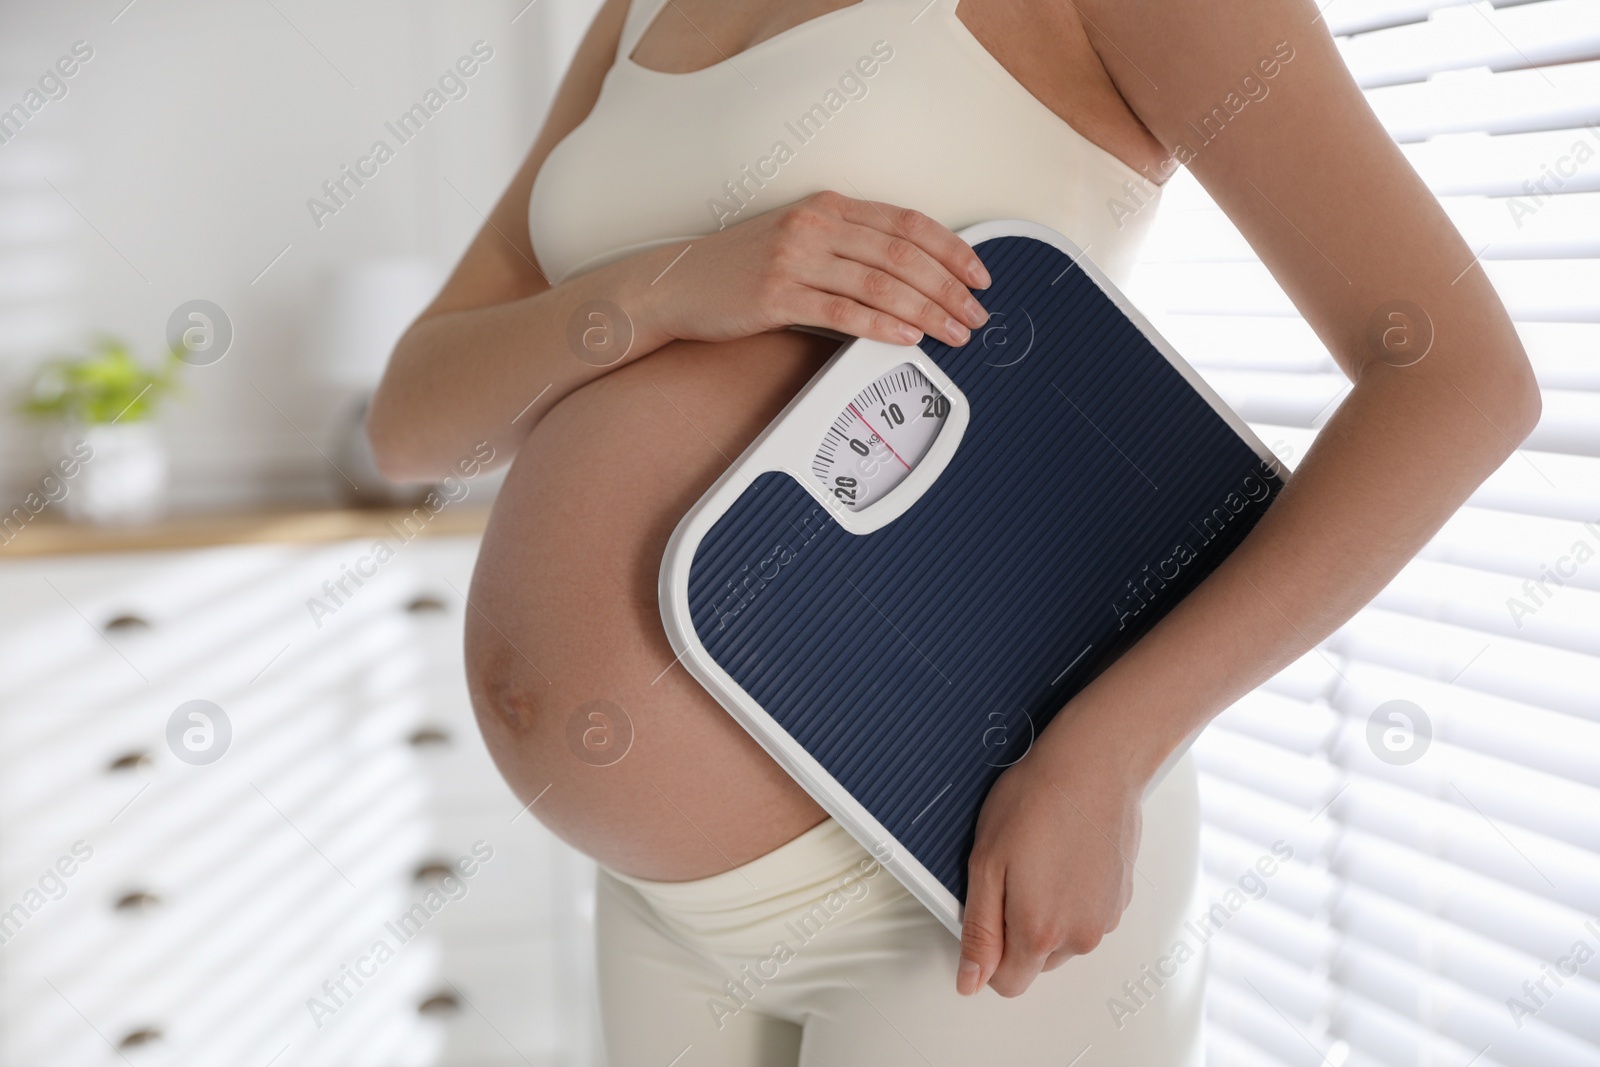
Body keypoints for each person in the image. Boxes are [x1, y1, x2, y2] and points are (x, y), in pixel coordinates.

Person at [367, 0, 1540, 1062]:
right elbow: (413, 420)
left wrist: (1108, 750)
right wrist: (667, 285)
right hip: (658, 902)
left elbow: (1459, 383)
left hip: (962, 873)